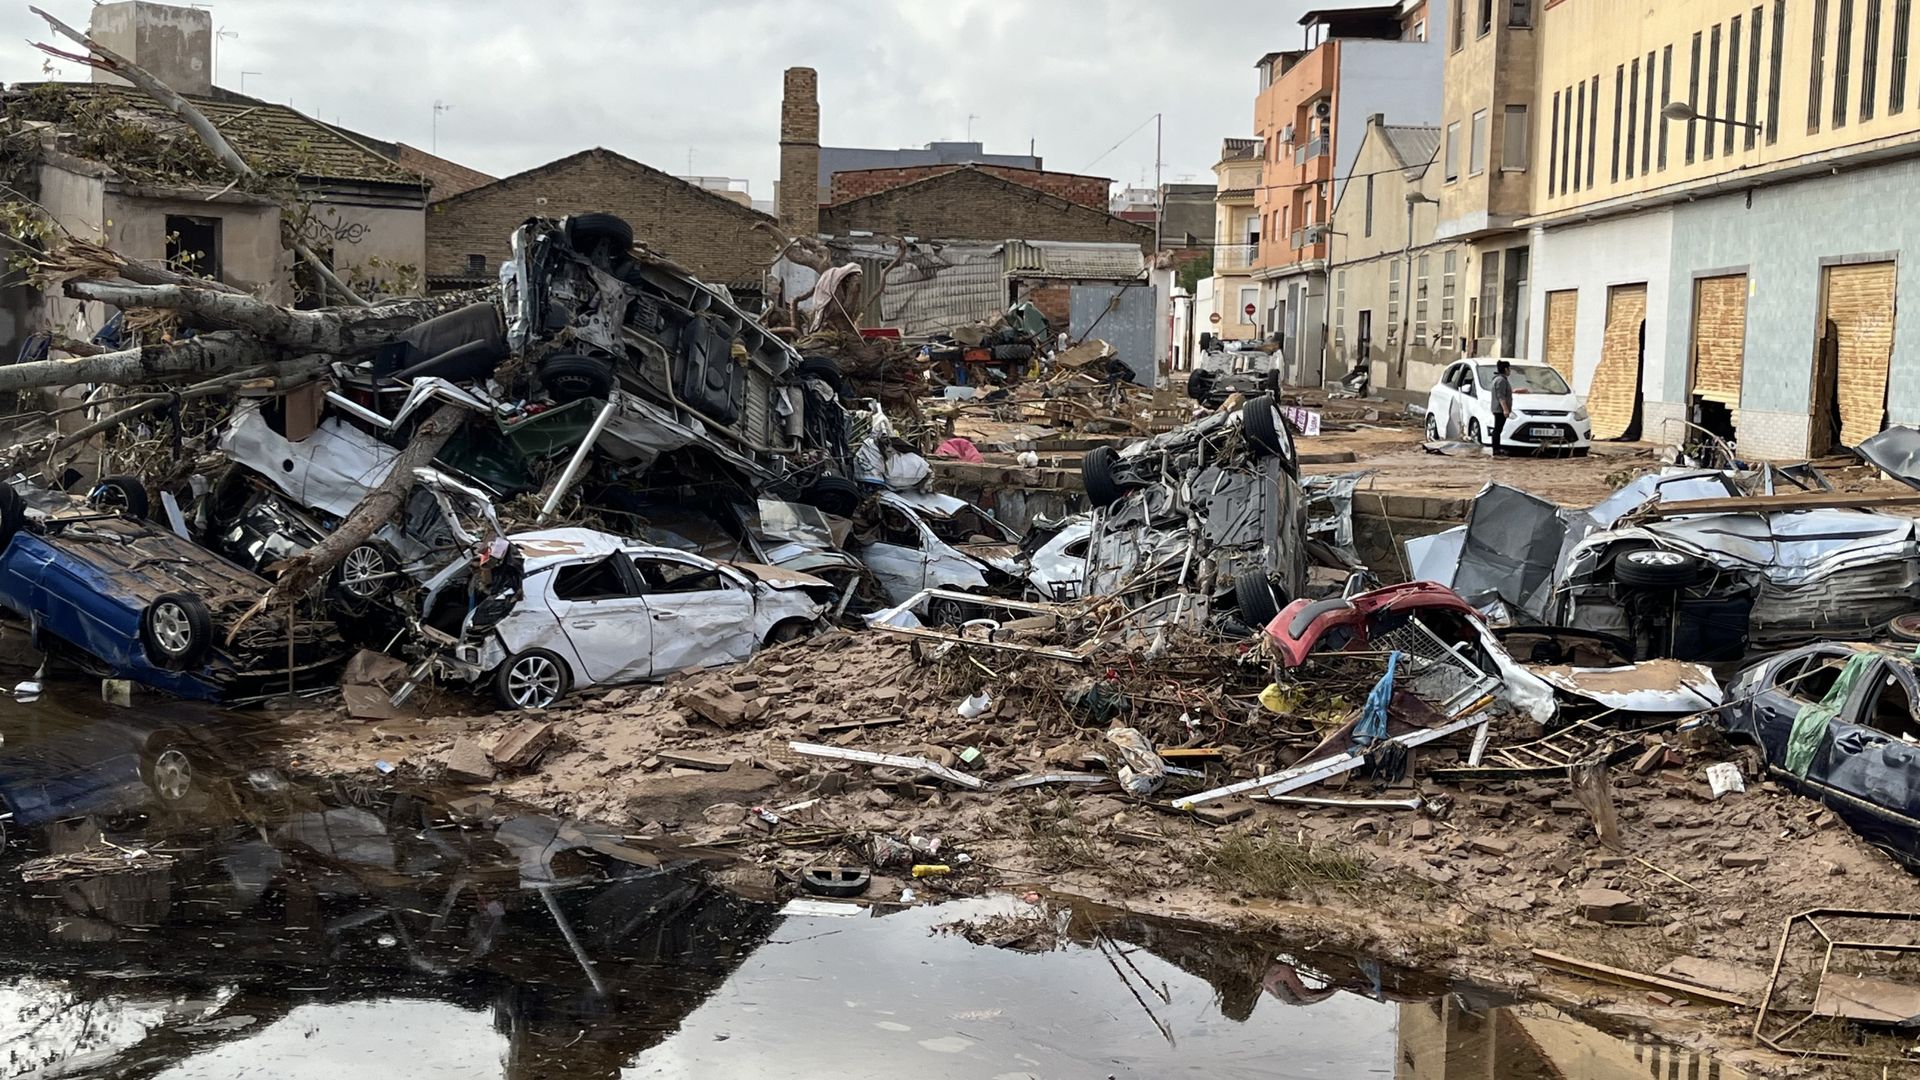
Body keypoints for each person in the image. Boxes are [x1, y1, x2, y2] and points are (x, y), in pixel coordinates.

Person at [1489, 360, 1515, 456]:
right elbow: (1501, 396)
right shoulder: (1501, 380)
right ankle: (1496, 449)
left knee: (1498, 429)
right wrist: (1505, 409)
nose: (1510, 371)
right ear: (1506, 369)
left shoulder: (1500, 379)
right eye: (1509, 369)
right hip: (1499, 409)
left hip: (1499, 409)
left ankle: (1497, 448)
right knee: (1497, 429)